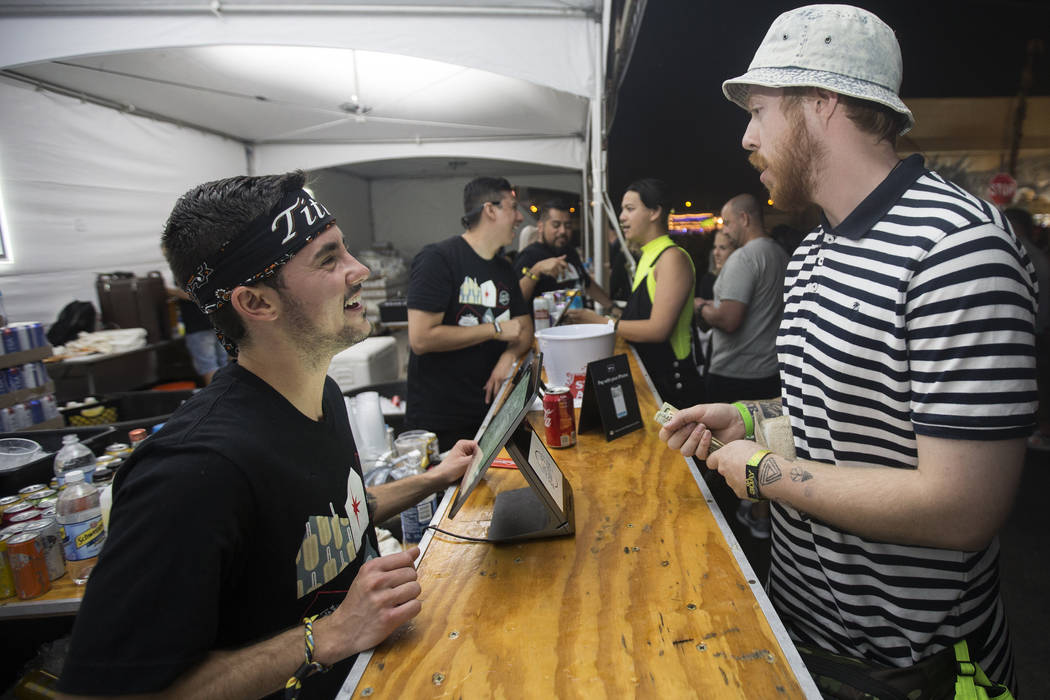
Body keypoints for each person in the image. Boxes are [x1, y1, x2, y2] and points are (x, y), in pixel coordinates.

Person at [659, 5, 1036, 694]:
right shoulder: (810, 253)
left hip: (915, 668)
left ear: (822, 104)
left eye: (761, 110)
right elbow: (842, 403)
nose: (747, 136)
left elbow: (964, 506)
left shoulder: (955, 247)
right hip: (803, 635)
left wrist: (765, 473)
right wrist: (745, 420)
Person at [57, 171, 478, 699]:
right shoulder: (192, 470)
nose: (359, 270)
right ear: (255, 304)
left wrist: (436, 478)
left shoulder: (320, 395)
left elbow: (336, 511)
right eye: (328, 259)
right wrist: (327, 635)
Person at [405, 177, 534, 451]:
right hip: (443, 420)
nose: (520, 218)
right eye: (512, 207)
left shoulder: (504, 268)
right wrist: (495, 330)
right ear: (490, 210)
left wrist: (508, 355)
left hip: (492, 413)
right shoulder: (438, 259)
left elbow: (524, 330)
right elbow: (421, 338)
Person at [696, 194, 787, 540]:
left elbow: (729, 319)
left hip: (735, 374)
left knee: (720, 463)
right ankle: (758, 520)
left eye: (727, 221)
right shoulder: (779, 254)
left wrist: (702, 307)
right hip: (768, 371)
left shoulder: (745, 257)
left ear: (745, 219)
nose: (725, 227)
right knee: (764, 452)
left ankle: (725, 538)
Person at [566, 178, 703, 408]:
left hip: (673, 384)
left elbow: (658, 329)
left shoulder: (671, 258)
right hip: (652, 376)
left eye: (630, 209)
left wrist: (603, 322)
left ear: (654, 212)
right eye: (622, 210)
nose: (621, 217)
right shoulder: (647, 256)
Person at [512, 199, 613, 308]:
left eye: (568, 226)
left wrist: (612, 306)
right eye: (556, 225)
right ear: (541, 227)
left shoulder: (570, 252)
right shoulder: (528, 256)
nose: (563, 231)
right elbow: (516, 300)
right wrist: (536, 270)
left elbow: (587, 283)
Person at [1005, 207, 1050, 450]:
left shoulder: (1013, 251)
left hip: (1033, 331)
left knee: (1034, 385)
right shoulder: (1032, 253)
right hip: (1038, 328)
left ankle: (1035, 433)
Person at [166, 283, 228, 384]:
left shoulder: (189, 274)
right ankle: (227, 393)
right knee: (222, 362)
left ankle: (218, 396)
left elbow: (195, 295)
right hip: (217, 322)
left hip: (198, 326)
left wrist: (170, 291)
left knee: (208, 365)